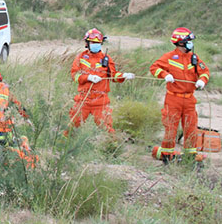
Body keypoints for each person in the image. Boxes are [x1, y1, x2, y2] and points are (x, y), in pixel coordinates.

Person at [149, 27, 210, 164]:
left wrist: (202, 80)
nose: (190, 44)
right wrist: (165, 74)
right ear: (180, 43)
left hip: (189, 99)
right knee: (170, 127)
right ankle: (166, 156)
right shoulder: (169, 57)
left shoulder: (194, 58)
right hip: (173, 98)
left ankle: (190, 157)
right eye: (188, 41)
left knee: (191, 128)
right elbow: (154, 68)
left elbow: (205, 71)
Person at [69, 28, 135, 133]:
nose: (95, 45)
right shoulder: (81, 57)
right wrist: (88, 77)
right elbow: (74, 75)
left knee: (107, 129)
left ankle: (111, 142)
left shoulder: (106, 59)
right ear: (87, 43)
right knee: (72, 127)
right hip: (83, 99)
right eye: (93, 42)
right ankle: (63, 143)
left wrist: (124, 76)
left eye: (98, 43)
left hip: (100, 101)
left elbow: (113, 75)